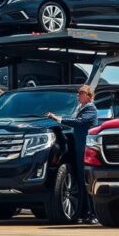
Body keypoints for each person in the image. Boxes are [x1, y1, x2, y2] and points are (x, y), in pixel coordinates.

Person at [46, 84, 99, 223]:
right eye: (78, 93)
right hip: (79, 149)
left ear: (88, 96)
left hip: (86, 150)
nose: (78, 95)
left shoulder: (91, 109)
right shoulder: (80, 108)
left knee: (86, 181)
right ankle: (83, 213)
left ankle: (92, 214)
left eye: (81, 93)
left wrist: (59, 119)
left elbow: (79, 122)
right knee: (80, 181)